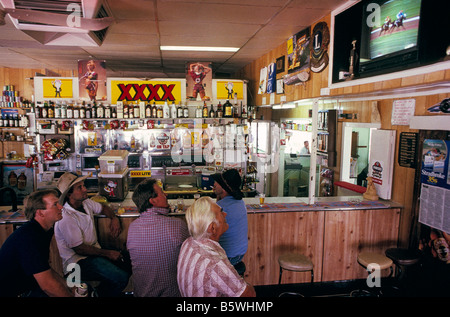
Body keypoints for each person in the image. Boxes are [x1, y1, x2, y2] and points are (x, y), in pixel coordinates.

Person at [54, 172, 130, 297]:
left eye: (84, 186)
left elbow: (103, 208)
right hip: (76, 263)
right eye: (80, 187)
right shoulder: (66, 216)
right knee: (120, 277)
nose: (85, 189)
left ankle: (97, 293)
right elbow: (80, 248)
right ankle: (96, 295)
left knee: (128, 260)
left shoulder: (86, 203)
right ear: (69, 194)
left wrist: (113, 218)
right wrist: (108, 253)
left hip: (94, 255)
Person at [177, 196, 256, 297]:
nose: (225, 214)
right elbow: (249, 294)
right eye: (221, 212)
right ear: (213, 228)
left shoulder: (188, 243)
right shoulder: (215, 263)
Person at [0, 189, 73, 297]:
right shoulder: (29, 237)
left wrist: (68, 286)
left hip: (27, 288)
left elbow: (45, 270)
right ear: (40, 213)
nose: (61, 207)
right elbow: (47, 285)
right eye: (54, 204)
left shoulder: (43, 231)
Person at [127, 178, 189, 297]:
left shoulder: (132, 227)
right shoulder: (176, 225)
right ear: (153, 201)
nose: (165, 194)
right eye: (161, 192)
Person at [211, 169, 248, 270]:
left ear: (223, 188)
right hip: (240, 254)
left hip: (228, 257)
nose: (214, 185)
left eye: (217, 183)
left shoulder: (218, 208)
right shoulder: (241, 203)